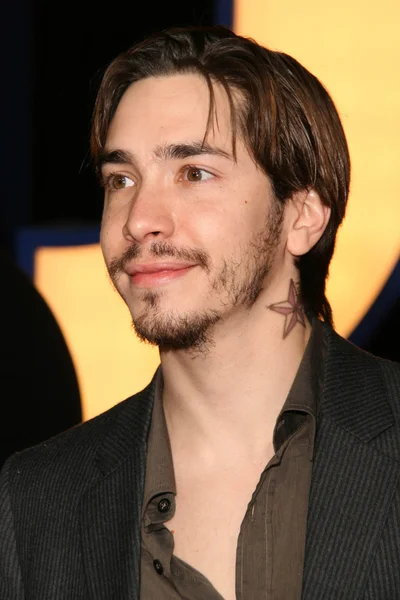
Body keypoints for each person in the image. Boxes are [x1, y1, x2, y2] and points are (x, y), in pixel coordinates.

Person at [0, 25, 399, 600]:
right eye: (122, 178)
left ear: (302, 216)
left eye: (193, 173)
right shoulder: (37, 500)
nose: (139, 219)